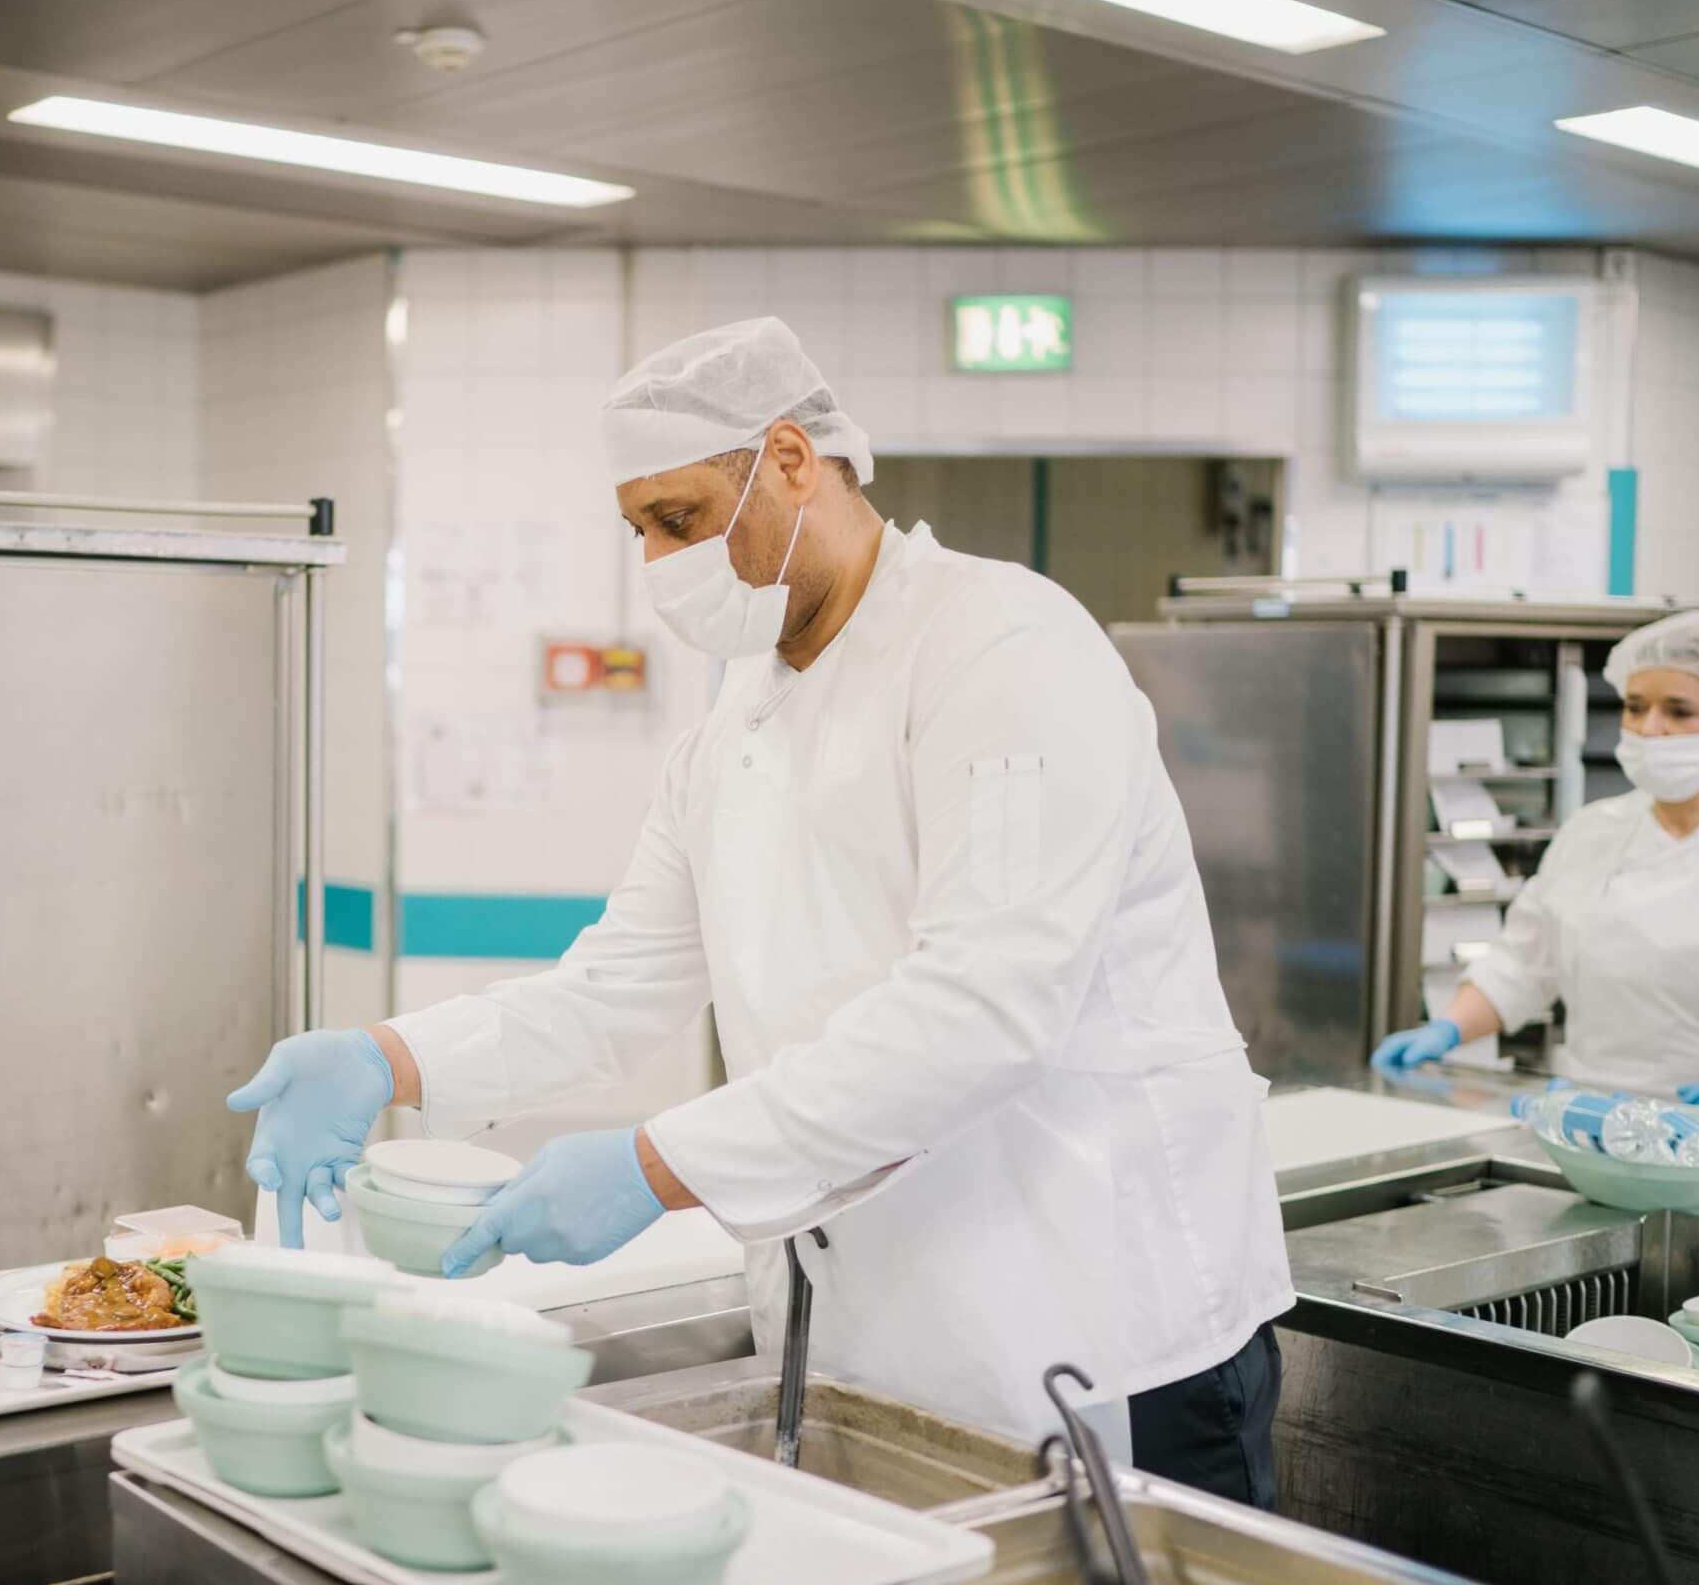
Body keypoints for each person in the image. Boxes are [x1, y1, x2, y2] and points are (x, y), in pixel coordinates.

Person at [229, 317, 1293, 1505]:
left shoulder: (1003, 647)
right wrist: (388, 1058)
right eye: (637, 530)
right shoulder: (730, 729)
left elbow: (985, 1008)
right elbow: (612, 983)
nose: (658, 564)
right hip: (884, 1343)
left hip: (1109, 1333)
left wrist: (655, 1163)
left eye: (677, 519)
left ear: (791, 458)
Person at [1376, 607, 1699, 1105]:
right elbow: (1522, 963)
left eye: (1679, 711)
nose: (1650, 728)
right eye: (1635, 706)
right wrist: (1447, 1029)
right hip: (1591, 1114)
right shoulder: (1593, 832)